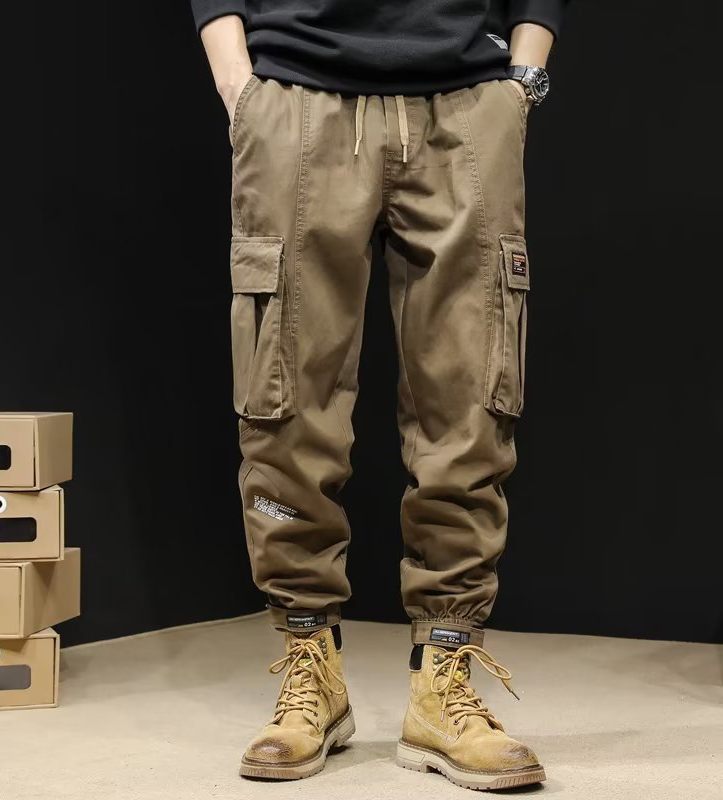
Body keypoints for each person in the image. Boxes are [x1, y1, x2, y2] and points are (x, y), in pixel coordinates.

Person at [190, 0, 567, 789]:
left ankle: (444, 683)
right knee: (285, 398)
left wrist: (523, 80)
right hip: (296, 94)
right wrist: (237, 82)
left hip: (468, 101)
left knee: (472, 401)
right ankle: (310, 667)